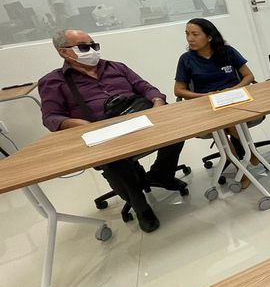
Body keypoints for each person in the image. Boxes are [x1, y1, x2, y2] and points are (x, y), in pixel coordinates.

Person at [38, 29, 186, 233]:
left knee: (177, 129)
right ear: (63, 52)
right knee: (115, 161)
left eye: (94, 46)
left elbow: (145, 87)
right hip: (102, 131)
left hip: (138, 118)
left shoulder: (116, 67)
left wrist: (157, 102)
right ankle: (140, 205)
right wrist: (77, 124)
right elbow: (51, 117)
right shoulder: (53, 81)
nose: (92, 51)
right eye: (84, 47)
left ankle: (161, 174)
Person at [174, 18, 258, 187]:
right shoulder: (186, 59)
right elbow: (179, 90)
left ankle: (248, 153)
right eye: (187, 34)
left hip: (234, 99)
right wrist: (203, 96)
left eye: (195, 34)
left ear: (209, 37)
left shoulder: (227, 52)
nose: (190, 38)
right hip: (207, 104)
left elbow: (249, 76)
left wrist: (233, 89)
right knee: (223, 125)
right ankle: (242, 164)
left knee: (230, 120)